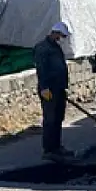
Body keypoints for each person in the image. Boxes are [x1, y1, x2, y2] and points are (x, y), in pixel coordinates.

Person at [34, 22, 72, 162]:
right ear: (55, 32)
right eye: (61, 35)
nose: (61, 38)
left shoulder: (55, 47)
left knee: (58, 118)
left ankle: (57, 147)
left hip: (59, 88)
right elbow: (41, 69)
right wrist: (44, 88)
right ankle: (49, 149)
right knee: (50, 120)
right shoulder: (42, 48)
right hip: (49, 89)